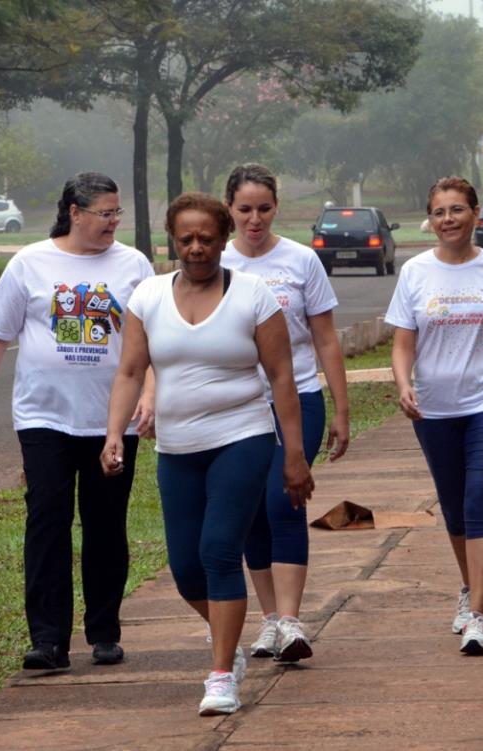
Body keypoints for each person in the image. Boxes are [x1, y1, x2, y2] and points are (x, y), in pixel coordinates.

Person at [102, 192, 314, 716]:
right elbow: (130, 372)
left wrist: (294, 454)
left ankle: (221, 675)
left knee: (220, 550)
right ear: (172, 241)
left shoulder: (254, 295)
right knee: (185, 569)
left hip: (243, 437)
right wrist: (113, 436)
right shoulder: (147, 296)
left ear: (223, 240)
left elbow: (282, 378)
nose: (196, 248)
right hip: (177, 447)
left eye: (206, 238)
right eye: (185, 239)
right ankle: (230, 640)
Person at [0, 172, 154, 671]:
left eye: (117, 214)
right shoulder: (29, 264)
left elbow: (153, 339)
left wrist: (149, 395)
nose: (113, 222)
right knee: (47, 520)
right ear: (75, 212)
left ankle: (104, 631)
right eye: (104, 213)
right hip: (43, 417)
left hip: (112, 419)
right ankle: (47, 639)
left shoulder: (133, 265)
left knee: (106, 523)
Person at [386, 176, 483, 657]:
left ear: (475, 213)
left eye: (457, 210)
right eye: (440, 212)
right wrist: (404, 384)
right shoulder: (414, 272)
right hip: (435, 406)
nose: (448, 219)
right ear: (431, 219)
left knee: (481, 499)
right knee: (453, 505)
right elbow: (403, 342)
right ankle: (469, 587)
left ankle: (479, 617)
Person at [220, 163, 350, 663]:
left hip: (298, 398)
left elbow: (326, 338)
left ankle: (293, 621)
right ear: (229, 208)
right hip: (237, 404)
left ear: (278, 208)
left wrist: (341, 408)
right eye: (245, 209)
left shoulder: (300, 261)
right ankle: (270, 619)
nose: (255, 220)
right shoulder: (217, 259)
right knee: (251, 511)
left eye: (265, 209)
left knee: (285, 500)